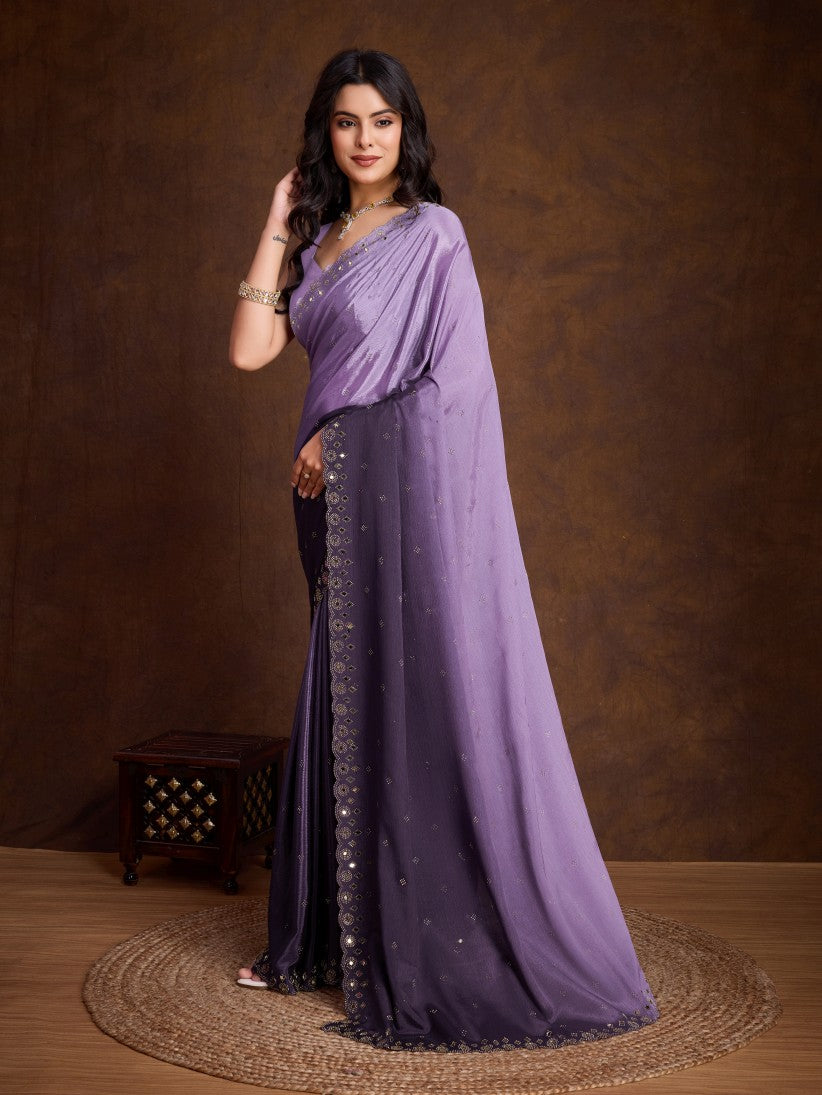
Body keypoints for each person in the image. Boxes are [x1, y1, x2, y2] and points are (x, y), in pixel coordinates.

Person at [229, 47, 660, 1053]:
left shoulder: (433, 235)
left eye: (382, 120)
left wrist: (340, 440)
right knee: (342, 690)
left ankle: (426, 938)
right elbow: (250, 351)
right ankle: (326, 936)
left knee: (409, 690)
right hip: (331, 507)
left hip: (392, 495)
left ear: (405, 129)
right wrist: (276, 216)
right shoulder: (319, 241)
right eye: (346, 121)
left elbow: (454, 387)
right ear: (325, 131)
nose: (365, 139)